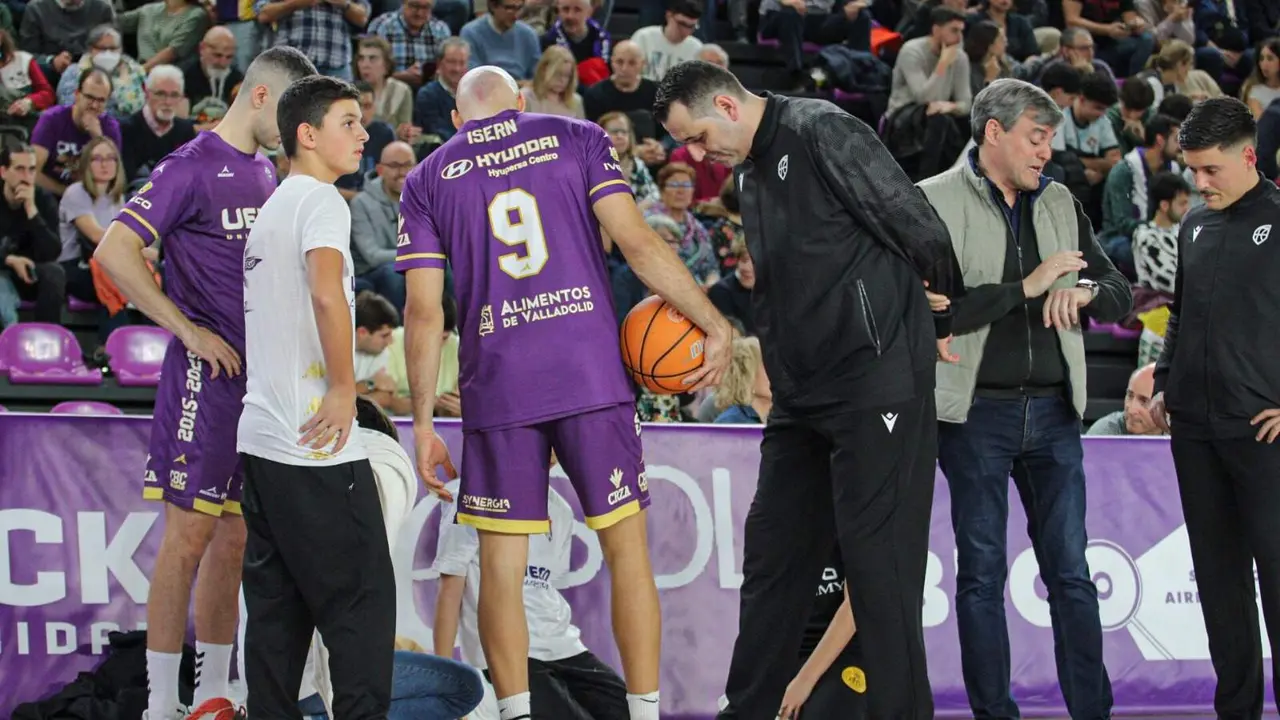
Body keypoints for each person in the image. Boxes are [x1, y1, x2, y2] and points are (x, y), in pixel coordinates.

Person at [395, 65, 732, 720]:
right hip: (588, 371)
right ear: (520, 103)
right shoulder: (576, 137)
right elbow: (637, 242)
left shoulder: (428, 177)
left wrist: (422, 422)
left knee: (500, 562)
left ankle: (515, 711)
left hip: (498, 383)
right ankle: (643, 712)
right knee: (625, 549)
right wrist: (715, 321)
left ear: (458, 121)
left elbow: (423, 312)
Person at [652, 60, 961, 720]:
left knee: (881, 576)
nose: (697, 154)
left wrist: (939, 318)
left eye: (699, 137)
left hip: (876, 382)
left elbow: (922, 228)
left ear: (728, 107)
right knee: (771, 566)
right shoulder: (754, 172)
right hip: (800, 397)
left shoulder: (823, 130)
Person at [93, 45, 316, 720]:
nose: (293, 130)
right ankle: (161, 703)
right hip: (204, 377)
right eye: (288, 113)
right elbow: (113, 251)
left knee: (235, 541)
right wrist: (185, 330)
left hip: (259, 384)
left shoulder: (263, 171)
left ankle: (216, 693)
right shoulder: (187, 167)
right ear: (257, 96)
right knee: (188, 539)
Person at [918, 78, 1130, 720]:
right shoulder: (931, 201)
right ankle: (994, 714)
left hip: (1057, 413)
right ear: (993, 133)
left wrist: (1089, 292)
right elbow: (929, 312)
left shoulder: (1062, 200)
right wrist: (1026, 285)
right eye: (1036, 139)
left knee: (1071, 575)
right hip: (974, 414)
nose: (1047, 152)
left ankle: (1092, 711)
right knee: (980, 577)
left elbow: (1119, 286)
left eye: (1051, 140)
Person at [234, 74, 388, 720]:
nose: (362, 133)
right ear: (307, 134)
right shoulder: (324, 202)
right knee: (363, 613)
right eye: (348, 122)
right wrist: (346, 387)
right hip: (313, 444)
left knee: (277, 621)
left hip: (262, 441)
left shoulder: (272, 207)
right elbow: (328, 293)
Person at [233, 396, 486, 720]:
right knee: (463, 687)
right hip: (320, 677)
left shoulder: (281, 477)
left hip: (267, 678)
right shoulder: (378, 467)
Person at [1149, 96, 1280, 719]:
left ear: (1249, 155)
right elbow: (1180, 311)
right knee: (1220, 589)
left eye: (1210, 171)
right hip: (1194, 432)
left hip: (1263, 434)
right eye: (1192, 171)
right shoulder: (1195, 226)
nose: (1199, 184)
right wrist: (1166, 380)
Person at [433, 454, 629, 720]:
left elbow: (545, 584)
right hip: (506, 651)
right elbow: (450, 590)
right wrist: (443, 681)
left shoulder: (559, 509)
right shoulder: (467, 494)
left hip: (565, 647)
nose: (550, 451)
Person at [777, 548, 866, 720]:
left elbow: (854, 608)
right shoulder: (769, 529)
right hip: (786, 653)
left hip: (843, 651)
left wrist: (802, 683)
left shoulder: (850, 526)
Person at [0, 138, 63, 328]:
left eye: (32, 170)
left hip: (29, 273)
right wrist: (9, 260)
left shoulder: (42, 199)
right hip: (2, 267)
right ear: (3, 171)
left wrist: (31, 210)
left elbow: (52, 251)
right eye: (19, 169)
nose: (26, 176)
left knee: (54, 273)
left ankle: (45, 340)